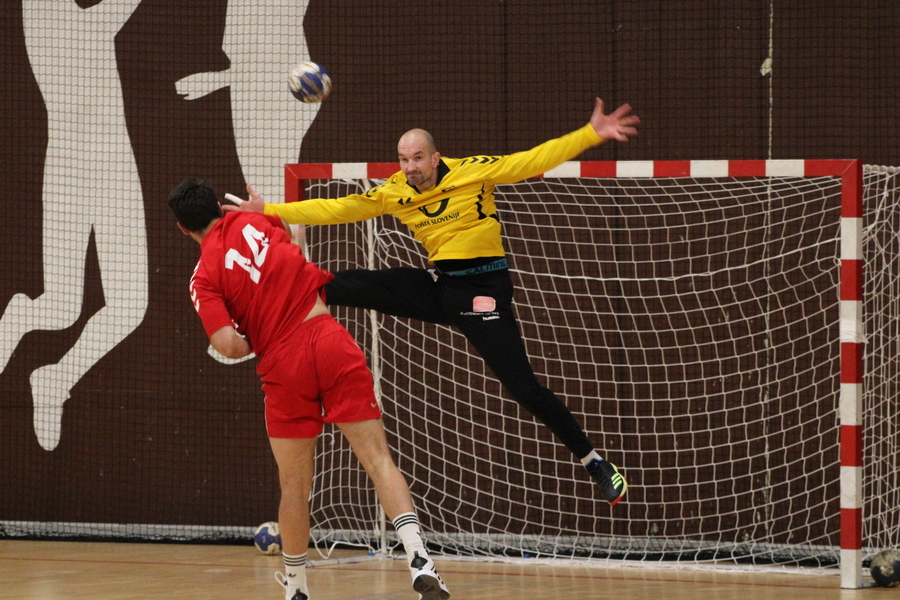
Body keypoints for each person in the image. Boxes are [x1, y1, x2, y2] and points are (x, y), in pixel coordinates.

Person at [225, 98, 639, 506]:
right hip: (440, 287)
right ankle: (255, 326)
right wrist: (271, 212)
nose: (410, 168)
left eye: (417, 158)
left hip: (483, 293)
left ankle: (595, 461)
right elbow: (339, 208)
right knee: (336, 285)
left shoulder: (473, 172)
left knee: (524, 389)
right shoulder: (395, 191)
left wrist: (591, 133)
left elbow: (530, 160)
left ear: (435, 156)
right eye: (404, 160)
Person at [167, 178, 450, 600]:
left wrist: (254, 339)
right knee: (378, 461)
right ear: (219, 209)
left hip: (283, 364)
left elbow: (225, 344)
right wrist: (267, 211)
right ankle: (418, 557)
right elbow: (293, 240)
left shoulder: (203, 276)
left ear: (182, 229)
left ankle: (297, 588)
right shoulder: (257, 222)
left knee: (295, 487)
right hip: (328, 339)